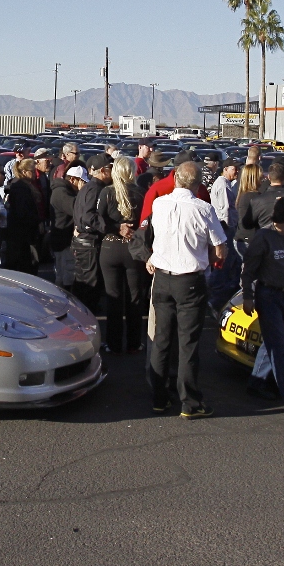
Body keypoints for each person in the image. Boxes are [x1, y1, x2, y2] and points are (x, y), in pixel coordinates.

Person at [145, 160, 227, 419]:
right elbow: (220, 245)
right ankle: (190, 401)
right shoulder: (203, 209)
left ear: (176, 179)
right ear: (198, 184)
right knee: (188, 343)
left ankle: (159, 396)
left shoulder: (160, 204)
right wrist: (213, 255)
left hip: (162, 277)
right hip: (189, 280)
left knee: (162, 339)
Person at [241, 195, 284, 408]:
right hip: (268, 296)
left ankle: (256, 382)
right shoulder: (264, 237)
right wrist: (247, 296)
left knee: (272, 342)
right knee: (279, 346)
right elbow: (248, 270)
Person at [99, 156, 144, 353]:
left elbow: (97, 220)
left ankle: (114, 343)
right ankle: (134, 343)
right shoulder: (140, 193)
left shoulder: (107, 193)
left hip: (110, 248)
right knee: (134, 298)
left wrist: (116, 227)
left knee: (113, 297)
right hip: (133, 249)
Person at [71, 153, 112, 311]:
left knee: (83, 283)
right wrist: (108, 227)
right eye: (110, 168)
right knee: (89, 285)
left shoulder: (89, 187)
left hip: (83, 242)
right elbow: (88, 216)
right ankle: (87, 320)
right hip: (88, 244)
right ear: (102, 171)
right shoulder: (95, 189)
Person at [208, 158, 241, 310]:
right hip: (225, 226)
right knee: (224, 261)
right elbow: (225, 208)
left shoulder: (227, 183)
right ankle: (215, 294)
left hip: (227, 226)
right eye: (234, 168)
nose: (237, 171)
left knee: (230, 260)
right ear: (226, 169)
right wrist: (229, 226)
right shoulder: (222, 184)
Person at [49, 165, 85, 288]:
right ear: (73, 180)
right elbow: (76, 208)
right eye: (81, 181)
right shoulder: (61, 192)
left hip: (62, 239)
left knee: (63, 273)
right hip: (63, 240)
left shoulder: (64, 191)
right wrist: (83, 193)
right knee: (66, 274)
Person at [240, 162, 284, 238]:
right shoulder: (254, 198)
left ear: (269, 177)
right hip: (253, 238)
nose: (263, 177)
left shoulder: (258, 198)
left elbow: (247, 223)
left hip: (262, 238)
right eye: (261, 176)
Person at [232, 162, 263, 263]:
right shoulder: (251, 197)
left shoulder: (244, 195)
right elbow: (246, 222)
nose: (263, 178)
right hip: (248, 239)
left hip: (244, 238)